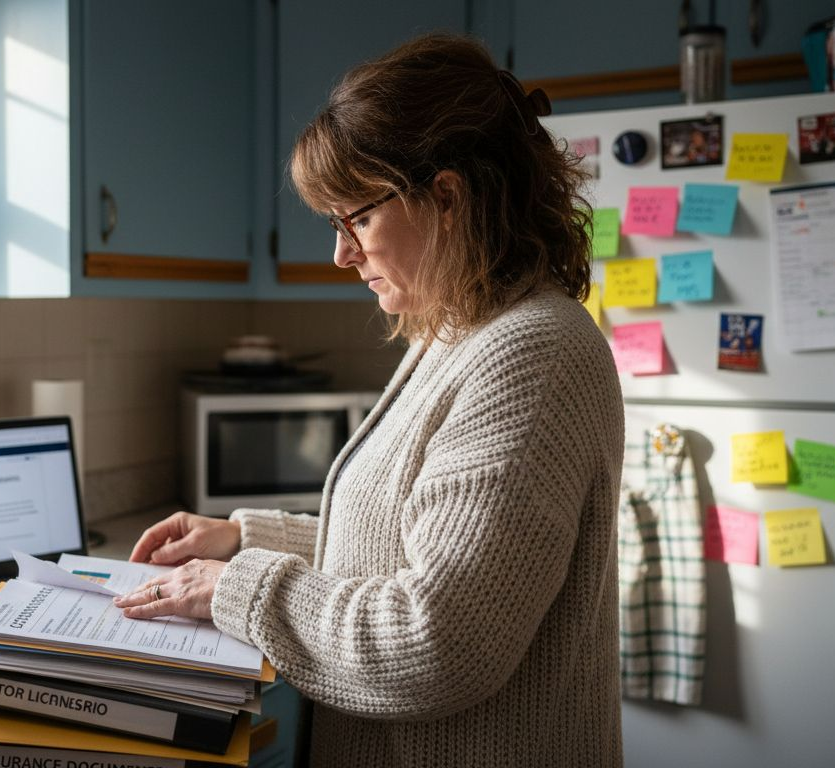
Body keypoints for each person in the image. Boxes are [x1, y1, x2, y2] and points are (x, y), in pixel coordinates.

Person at [113, 33, 624, 767]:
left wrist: (238, 586)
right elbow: (407, 549)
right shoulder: (459, 331)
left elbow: (436, 641)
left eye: (358, 217)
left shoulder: (532, 353)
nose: (341, 253)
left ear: (447, 198)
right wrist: (246, 538)